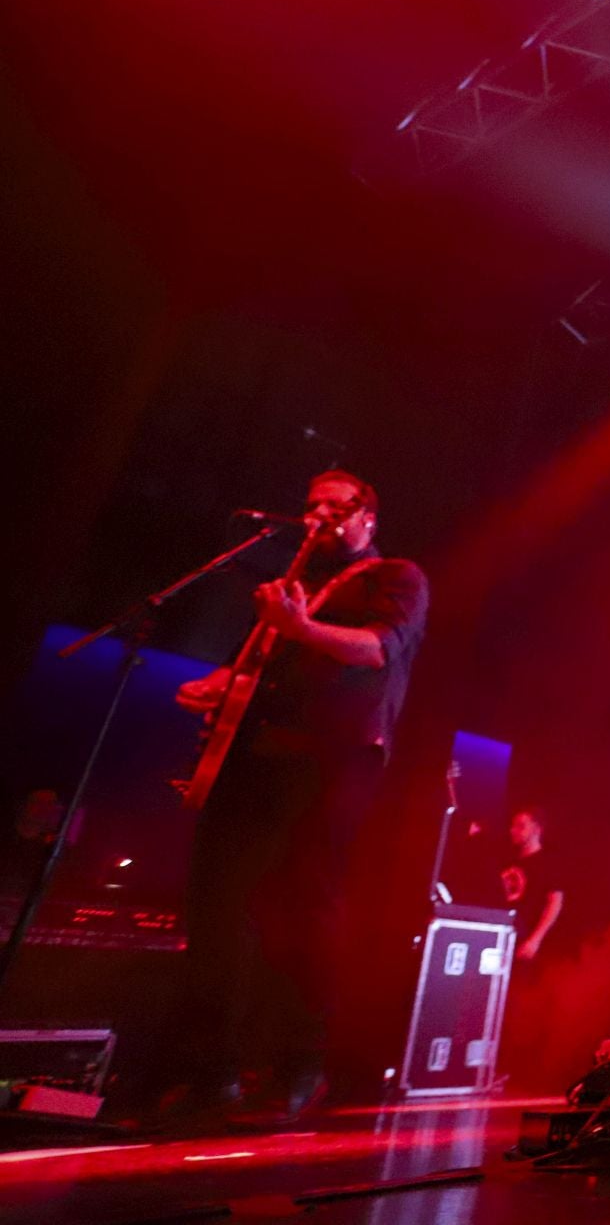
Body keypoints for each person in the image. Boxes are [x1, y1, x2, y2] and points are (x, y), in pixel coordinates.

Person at [171, 470, 428, 1123]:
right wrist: (220, 682)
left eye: (336, 506)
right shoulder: (294, 583)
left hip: (330, 759)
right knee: (218, 910)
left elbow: (377, 650)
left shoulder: (394, 577)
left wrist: (301, 627)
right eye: (311, 504)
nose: (319, 514)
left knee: (305, 909)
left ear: (368, 516)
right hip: (254, 756)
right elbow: (264, 662)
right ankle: (210, 1069)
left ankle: (299, 1065)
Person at [501, 806, 565, 963]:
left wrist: (535, 939)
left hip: (525, 943)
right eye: (513, 825)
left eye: (521, 826)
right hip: (502, 939)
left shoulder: (548, 864)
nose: (513, 830)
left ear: (536, 829)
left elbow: (554, 903)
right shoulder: (508, 860)